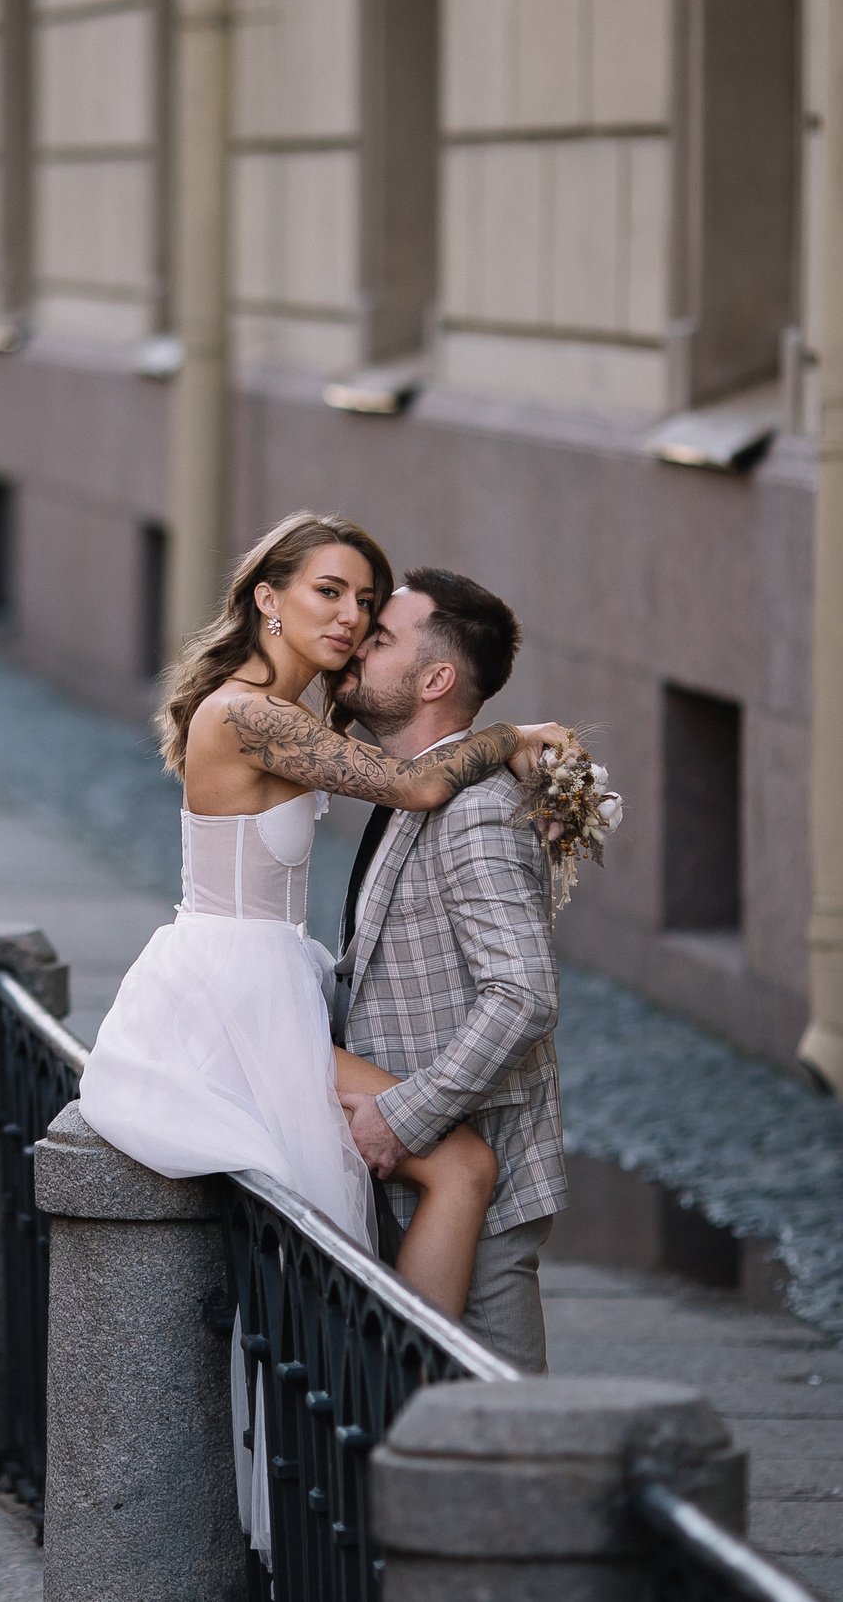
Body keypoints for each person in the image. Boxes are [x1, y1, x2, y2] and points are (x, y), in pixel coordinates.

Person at [74, 512, 569, 1547]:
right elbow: (419, 779)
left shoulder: (293, 712)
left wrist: (514, 773)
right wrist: (514, 739)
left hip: (268, 978)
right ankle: (397, 1397)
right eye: (329, 593)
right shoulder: (248, 712)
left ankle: (390, 1398)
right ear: (267, 596)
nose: (349, 618)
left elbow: (415, 766)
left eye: (364, 603)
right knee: (451, 1167)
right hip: (225, 987)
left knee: (403, 1187)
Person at [330, 569, 566, 1377]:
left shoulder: (476, 808)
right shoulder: (423, 786)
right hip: (423, 1175)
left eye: (382, 636)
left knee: (503, 1436)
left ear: (435, 679)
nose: (357, 641)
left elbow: (523, 994)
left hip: (479, 1186)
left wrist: (403, 1117)